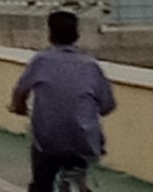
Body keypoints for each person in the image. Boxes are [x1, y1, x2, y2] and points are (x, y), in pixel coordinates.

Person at [9, 10, 116, 192]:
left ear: (50, 35)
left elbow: (20, 91)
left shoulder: (40, 61)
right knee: (80, 168)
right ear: (77, 35)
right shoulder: (91, 65)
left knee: (42, 180)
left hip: (48, 140)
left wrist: (18, 107)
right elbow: (107, 105)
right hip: (83, 140)